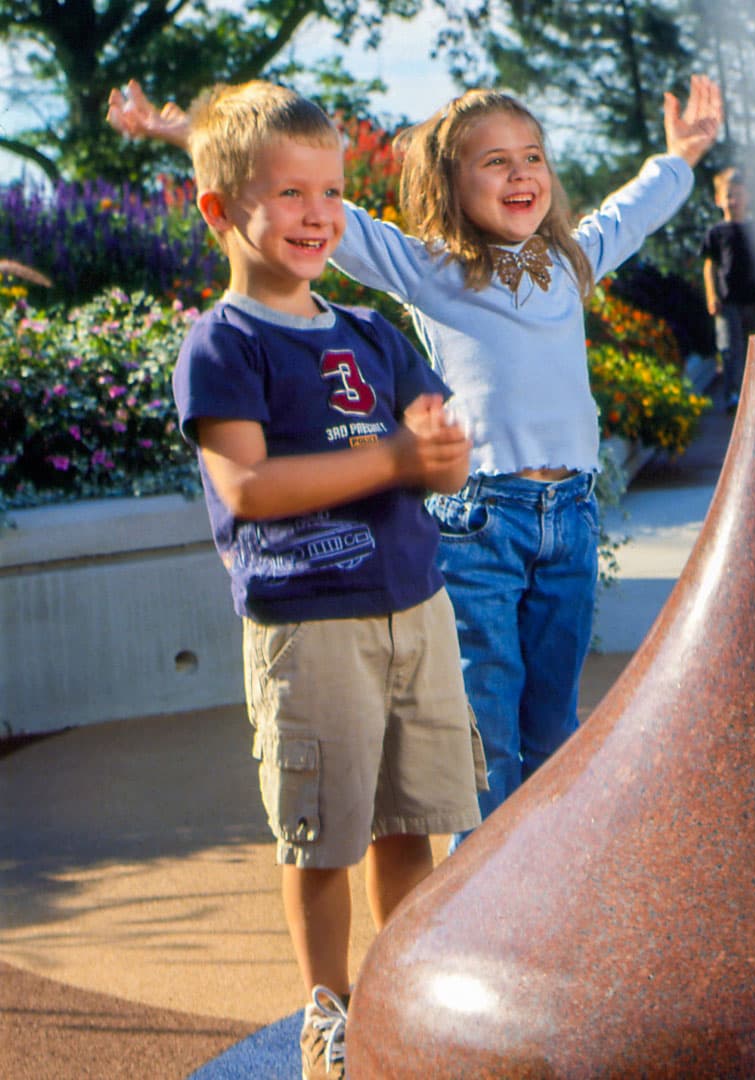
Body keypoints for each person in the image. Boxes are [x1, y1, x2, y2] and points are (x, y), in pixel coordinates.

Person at [111, 77, 723, 838]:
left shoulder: (568, 263)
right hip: (478, 523)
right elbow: (333, 217)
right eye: (495, 162)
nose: (522, 173)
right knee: (487, 728)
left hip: (569, 517)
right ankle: (481, 901)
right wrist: (188, 135)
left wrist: (682, 157)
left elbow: (632, 213)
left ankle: (546, 888)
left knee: (555, 726)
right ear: (449, 182)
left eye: (532, 157)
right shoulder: (431, 270)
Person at [164, 81, 481, 1080]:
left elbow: (438, 451)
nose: (316, 215)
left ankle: (401, 994)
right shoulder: (225, 343)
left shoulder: (374, 333)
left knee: (409, 821)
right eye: (289, 193)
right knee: (323, 833)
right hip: (311, 624)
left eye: (331, 192)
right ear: (220, 210)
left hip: (413, 611)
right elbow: (250, 485)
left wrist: (437, 453)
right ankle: (330, 1011)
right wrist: (391, 460)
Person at [703, 167, 755, 411]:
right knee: (731, 349)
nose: (734, 200)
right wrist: (712, 295)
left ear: (748, 197)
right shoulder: (716, 232)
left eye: (739, 194)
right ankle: (734, 395)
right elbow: (710, 266)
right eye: (729, 195)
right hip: (728, 301)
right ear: (719, 199)